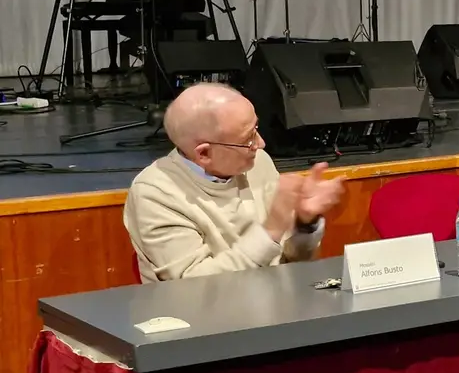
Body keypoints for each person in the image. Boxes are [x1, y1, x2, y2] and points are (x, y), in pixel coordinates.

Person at [123, 82, 345, 282]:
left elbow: (292, 263)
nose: (261, 144)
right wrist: (271, 231)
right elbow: (194, 287)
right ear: (204, 154)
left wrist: (305, 224)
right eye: (248, 139)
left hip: (276, 307)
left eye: (256, 129)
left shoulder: (257, 162)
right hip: (204, 322)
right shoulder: (155, 193)